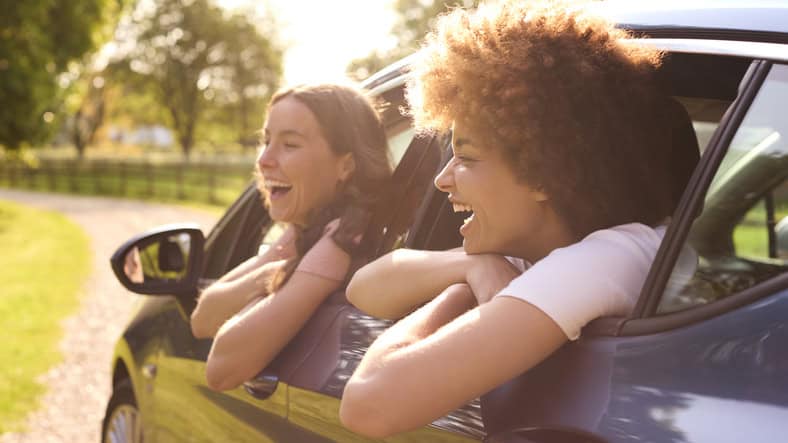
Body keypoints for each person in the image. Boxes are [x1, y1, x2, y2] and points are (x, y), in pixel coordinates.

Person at [339, 0, 685, 438]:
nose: (442, 180)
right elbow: (364, 287)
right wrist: (473, 266)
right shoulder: (539, 251)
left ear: (545, 174)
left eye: (464, 156)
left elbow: (370, 405)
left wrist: (462, 291)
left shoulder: (612, 257)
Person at [190, 84, 392, 392]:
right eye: (266, 140)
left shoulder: (342, 241)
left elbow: (221, 370)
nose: (264, 160)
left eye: (290, 145)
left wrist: (290, 271)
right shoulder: (304, 233)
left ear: (346, 165)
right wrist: (276, 266)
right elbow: (202, 318)